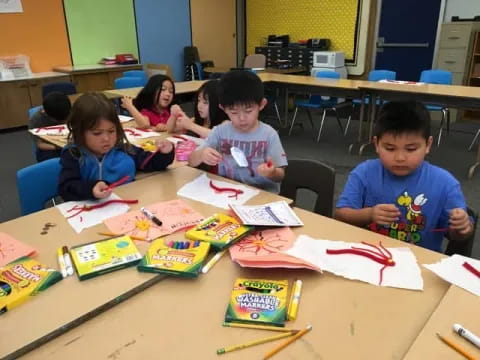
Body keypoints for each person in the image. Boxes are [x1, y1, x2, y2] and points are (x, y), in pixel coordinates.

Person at [335, 101, 473, 252]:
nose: (400, 157)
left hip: (419, 263)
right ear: (376, 144)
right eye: (390, 148)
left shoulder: (445, 183)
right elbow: (341, 215)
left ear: (428, 145)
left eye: (411, 149)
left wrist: (461, 227)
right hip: (369, 256)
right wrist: (369, 214)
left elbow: (455, 235)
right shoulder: (364, 173)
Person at [58, 92, 174, 201]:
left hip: (124, 209)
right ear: (79, 132)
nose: (106, 139)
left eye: (111, 131)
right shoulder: (73, 154)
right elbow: (66, 188)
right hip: (88, 213)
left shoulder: (123, 149)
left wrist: (165, 153)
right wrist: (91, 189)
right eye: (97, 133)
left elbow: (151, 163)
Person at [188, 70, 287, 193]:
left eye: (248, 111)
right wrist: (201, 154)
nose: (242, 118)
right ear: (223, 109)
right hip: (229, 191)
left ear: (261, 104)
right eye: (234, 112)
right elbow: (191, 160)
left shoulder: (269, 135)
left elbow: (280, 175)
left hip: (262, 195)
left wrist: (272, 172)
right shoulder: (220, 132)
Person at [28, 92, 71, 162]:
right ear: (47, 114)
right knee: (54, 162)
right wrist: (59, 147)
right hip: (51, 147)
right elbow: (40, 144)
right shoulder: (36, 120)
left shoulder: (69, 111)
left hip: (70, 142)